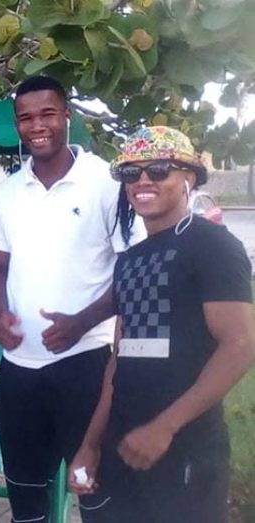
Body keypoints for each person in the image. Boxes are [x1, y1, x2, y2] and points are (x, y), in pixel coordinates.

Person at [68, 126, 255, 522]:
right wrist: (91, 445)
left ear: (188, 177)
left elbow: (241, 345)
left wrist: (165, 427)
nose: (143, 182)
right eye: (131, 174)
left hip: (185, 445)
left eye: (158, 170)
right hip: (125, 444)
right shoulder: (130, 260)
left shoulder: (213, 246)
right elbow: (120, 360)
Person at [0, 75, 144, 522]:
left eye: (47, 114)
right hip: (19, 370)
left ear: (67, 117)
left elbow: (131, 272)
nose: (37, 125)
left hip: (85, 367)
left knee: (95, 493)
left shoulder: (105, 183)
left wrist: (80, 321)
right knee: (25, 498)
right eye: (26, 117)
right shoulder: (9, 189)